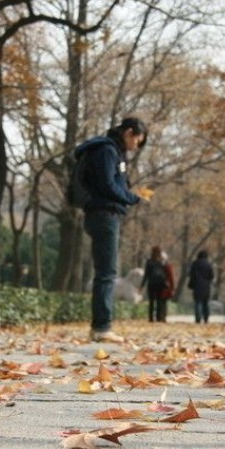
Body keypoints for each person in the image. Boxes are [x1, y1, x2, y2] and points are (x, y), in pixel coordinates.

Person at [72, 117, 152, 341]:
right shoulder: (107, 151)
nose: (136, 145)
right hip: (104, 214)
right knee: (107, 273)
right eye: (137, 139)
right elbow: (108, 184)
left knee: (105, 272)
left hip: (102, 214)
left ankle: (99, 326)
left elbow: (111, 183)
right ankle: (102, 327)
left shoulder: (111, 151)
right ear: (128, 132)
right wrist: (132, 197)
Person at [141, 246, 176, 322]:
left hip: (152, 283)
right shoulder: (162, 262)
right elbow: (167, 273)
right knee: (160, 301)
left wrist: (142, 285)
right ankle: (159, 317)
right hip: (161, 283)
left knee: (151, 301)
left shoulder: (149, 262)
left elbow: (146, 274)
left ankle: (151, 318)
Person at [188, 249, 215, 324]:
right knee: (205, 303)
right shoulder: (208, 264)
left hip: (197, 285)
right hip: (206, 286)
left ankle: (198, 319)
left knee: (198, 302)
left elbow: (191, 274)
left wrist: (192, 283)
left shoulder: (195, 263)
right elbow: (212, 275)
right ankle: (206, 318)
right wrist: (208, 281)